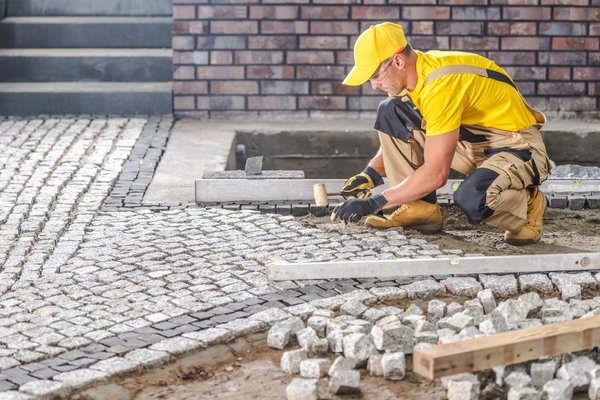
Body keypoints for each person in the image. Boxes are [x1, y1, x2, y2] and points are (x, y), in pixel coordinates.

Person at [331, 22, 552, 245]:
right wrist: (370, 174)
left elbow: (437, 174)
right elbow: (402, 130)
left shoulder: (441, 85)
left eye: (375, 76)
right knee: (391, 110)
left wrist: (375, 202)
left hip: (517, 147)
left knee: (473, 199)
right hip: (472, 141)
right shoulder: (418, 76)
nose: (374, 85)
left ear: (398, 61)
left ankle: (528, 206)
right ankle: (420, 208)